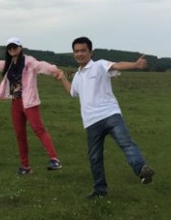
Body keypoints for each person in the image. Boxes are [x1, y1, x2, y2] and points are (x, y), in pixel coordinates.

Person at [59, 36, 154, 198]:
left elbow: (116, 65)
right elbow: (72, 93)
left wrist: (135, 65)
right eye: (76, 51)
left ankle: (142, 170)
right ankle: (99, 190)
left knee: (126, 143)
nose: (79, 54)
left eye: (83, 51)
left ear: (91, 52)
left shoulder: (99, 65)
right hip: (91, 122)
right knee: (95, 157)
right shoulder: (77, 76)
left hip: (110, 114)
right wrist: (62, 77)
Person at [0, 36, 64, 175]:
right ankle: (25, 166)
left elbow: (40, 65)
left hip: (30, 102)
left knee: (38, 129)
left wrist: (54, 70)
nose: (12, 49)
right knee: (20, 134)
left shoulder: (28, 61)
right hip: (16, 102)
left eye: (14, 46)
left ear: (20, 48)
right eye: (9, 47)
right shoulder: (10, 64)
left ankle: (54, 159)